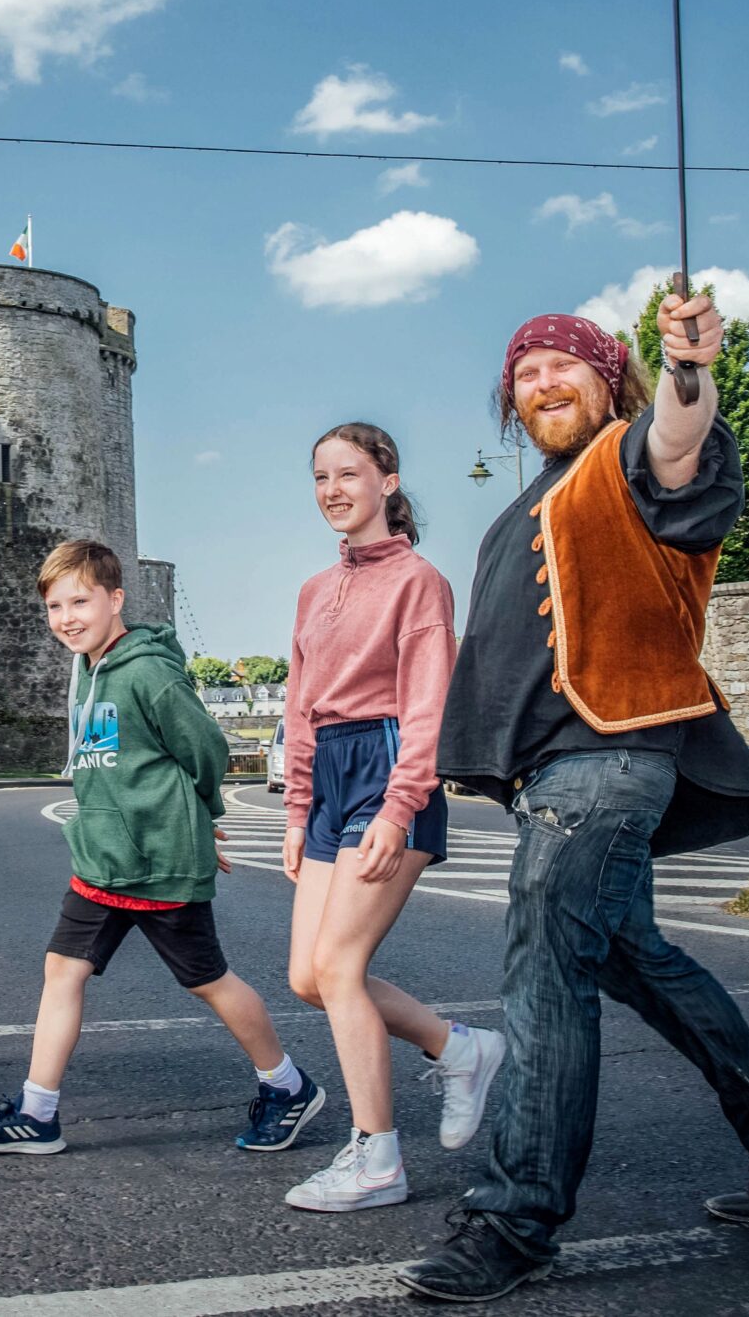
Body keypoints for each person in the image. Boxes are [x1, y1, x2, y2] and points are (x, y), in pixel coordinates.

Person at [399, 296, 749, 1303]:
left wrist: (687, 371)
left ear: (612, 382)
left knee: (545, 977)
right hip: (557, 775)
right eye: (525, 373)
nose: (544, 382)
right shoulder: (540, 493)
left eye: (567, 365)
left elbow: (679, 439)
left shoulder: (626, 462)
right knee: (628, 958)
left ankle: (516, 1220)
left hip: (601, 763)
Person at [0, 539, 324, 1156]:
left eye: (80, 600)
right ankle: (37, 1113)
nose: (67, 617)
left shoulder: (148, 671)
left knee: (209, 980)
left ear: (115, 598)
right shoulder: (85, 668)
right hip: (102, 858)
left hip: (155, 861)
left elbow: (205, 748)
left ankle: (287, 1086)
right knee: (62, 970)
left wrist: (199, 817)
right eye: (54, 606)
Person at [277, 423, 504, 1213]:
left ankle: (377, 1156)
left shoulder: (419, 580)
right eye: (320, 477)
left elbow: (426, 705)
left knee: (340, 967)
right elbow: (299, 708)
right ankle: (459, 1046)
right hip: (331, 774)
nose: (333, 489)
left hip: (387, 765)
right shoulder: (313, 589)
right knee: (308, 976)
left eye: (349, 473)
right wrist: (298, 808)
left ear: (388, 480)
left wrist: (401, 805)